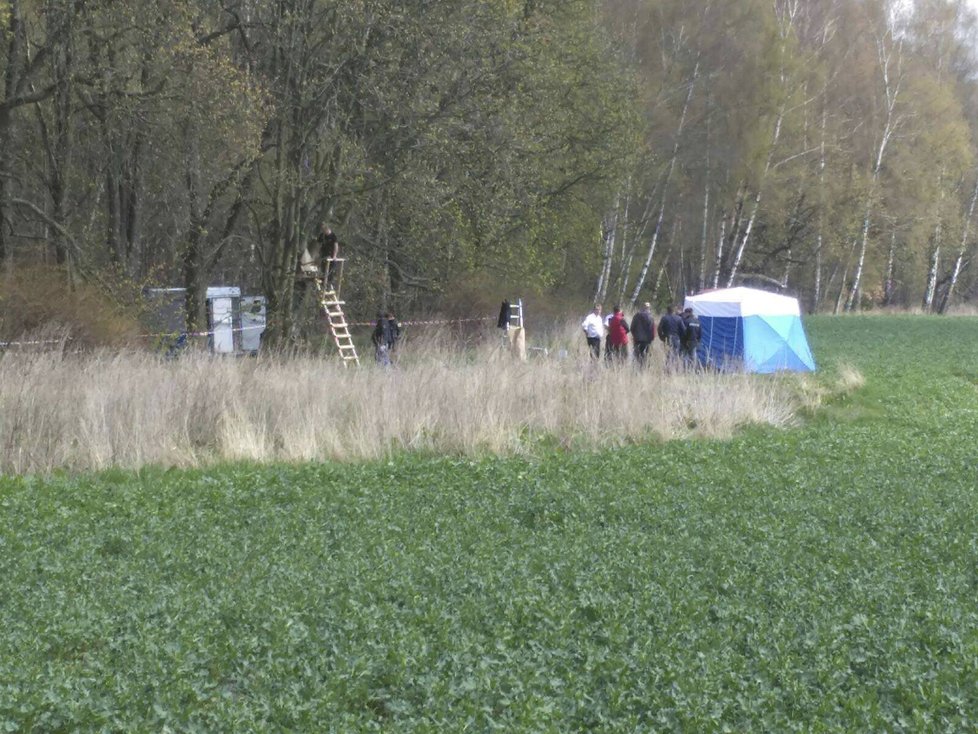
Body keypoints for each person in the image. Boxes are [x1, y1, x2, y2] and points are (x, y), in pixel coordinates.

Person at [630, 302, 655, 367]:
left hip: (637, 340)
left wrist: (635, 336)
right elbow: (652, 330)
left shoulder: (636, 316)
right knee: (645, 357)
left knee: (637, 357)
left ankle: (636, 371)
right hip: (647, 341)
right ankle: (644, 370)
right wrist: (651, 339)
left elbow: (632, 328)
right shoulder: (651, 317)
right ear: (649, 308)